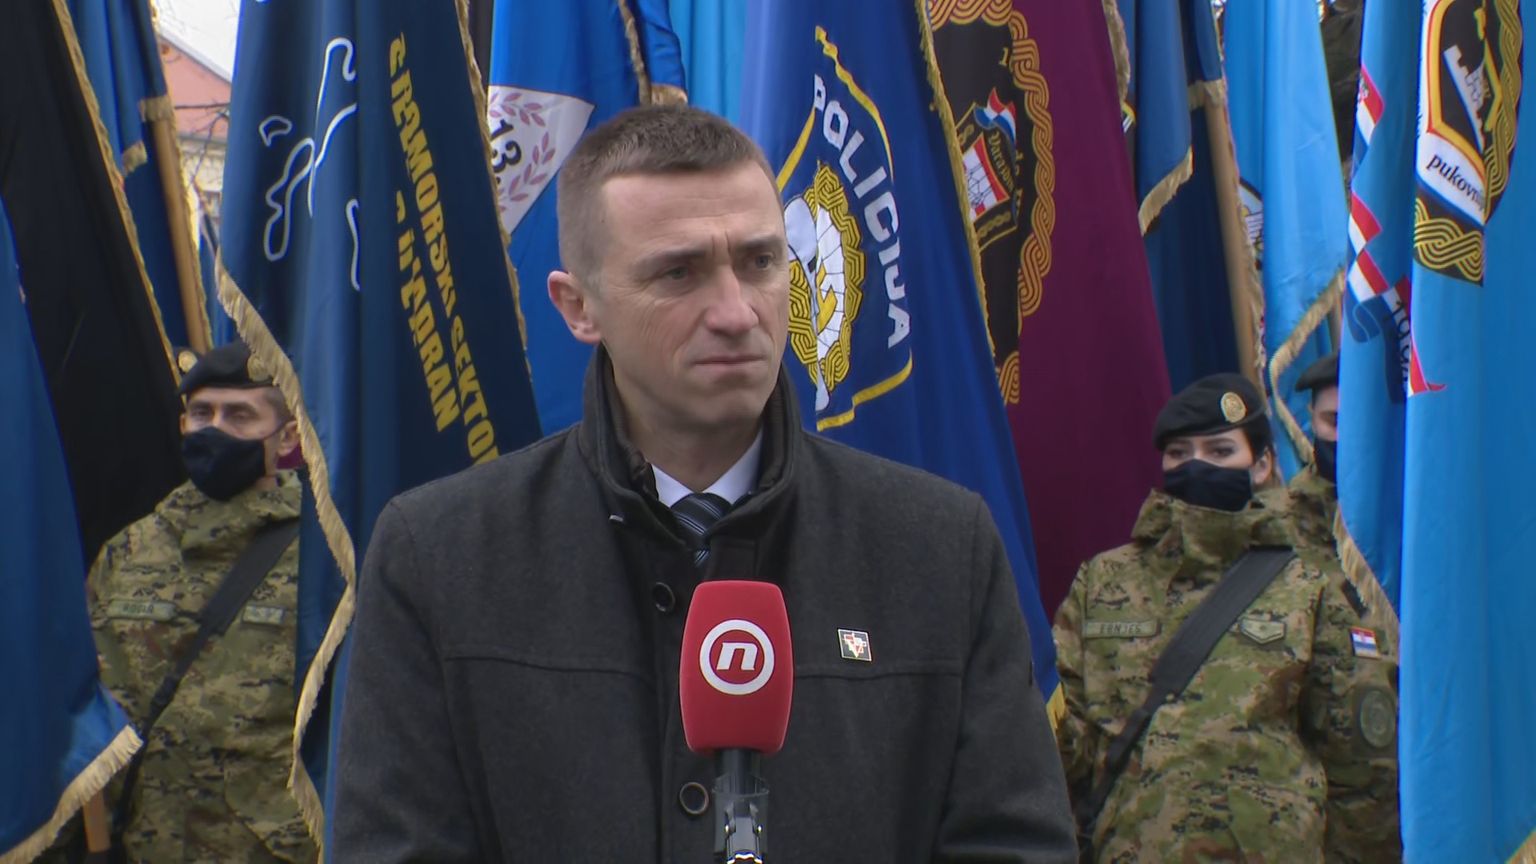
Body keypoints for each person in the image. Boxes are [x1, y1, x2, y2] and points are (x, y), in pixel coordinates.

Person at [332, 105, 1076, 862]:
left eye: (760, 262)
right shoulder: (443, 556)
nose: (735, 312)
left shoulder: (937, 548)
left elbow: (1014, 845)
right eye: (678, 272)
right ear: (579, 306)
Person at [1054, 373, 1400, 862]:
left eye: (1220, 451)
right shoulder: (1103, 582)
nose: (1197, 466)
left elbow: (1363, 774)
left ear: (1261, 465)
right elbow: (1061, 743)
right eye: (1179, 453)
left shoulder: (1310, 590)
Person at [88, 342, 315, 862]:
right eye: (201, 413)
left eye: (239, 416)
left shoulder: (320, 559)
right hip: (140, 845)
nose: (215, 429)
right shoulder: (129, 549)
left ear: (287, 437)